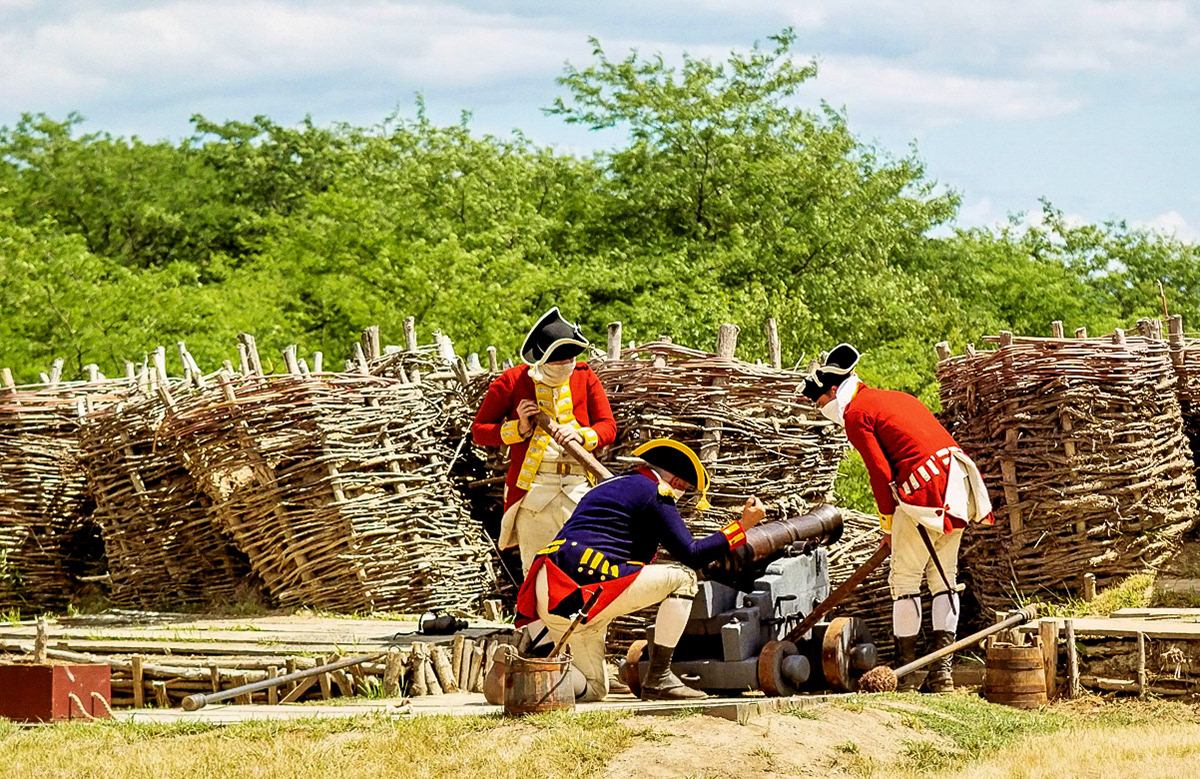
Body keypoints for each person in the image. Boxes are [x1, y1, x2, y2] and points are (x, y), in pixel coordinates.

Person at [801, 344, 993, 692]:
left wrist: (887, 525)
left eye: (819, 404)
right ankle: (941, 676)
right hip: (958, 484)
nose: (822, 410)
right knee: (944, 579)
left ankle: (905, 674)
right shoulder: (897, 397)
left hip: (923, 490)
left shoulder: (857, 414)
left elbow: (879, 473)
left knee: (904, 583)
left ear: (832, 390)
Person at [513, 439, 767, 702]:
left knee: (595, 689)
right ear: (677, 482)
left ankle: (535, 675)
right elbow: (692, 554)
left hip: (550, 584)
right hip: (585, 583)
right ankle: (659, 677)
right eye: (685, 488)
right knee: (684, 580)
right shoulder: (657, 492)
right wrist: (742, 526)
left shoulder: (608, 487)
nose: (681, 495)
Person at [472, 307, 618, 574]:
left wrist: (583, 436)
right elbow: (480, 431)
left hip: (580, 489)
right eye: (559, 359)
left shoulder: (585, 376)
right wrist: (519, 428)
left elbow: (608, 427)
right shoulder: (513, 380)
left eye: (571, 357)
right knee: (537, 572)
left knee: (585, 570)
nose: (567, 364)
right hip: (535, 491)